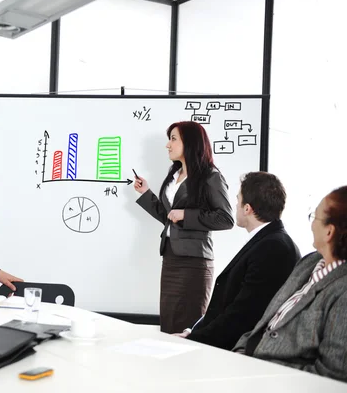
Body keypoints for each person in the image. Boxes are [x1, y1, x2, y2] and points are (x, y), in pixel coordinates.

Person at [175, 172, 300, 349]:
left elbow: (243, 315)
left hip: (232, 351)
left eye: (237, 200)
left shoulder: (274, 247)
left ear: (247, 208)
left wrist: (195, 340)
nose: (235, 205)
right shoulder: (268, 240)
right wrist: (192, 333)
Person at [233, 186, 347, 382]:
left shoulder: (342, 292)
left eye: (315, 217)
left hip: (275, 380)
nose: (311, 225)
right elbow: (267, 322)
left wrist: (257, 369)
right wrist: (239, 353)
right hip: (246, 364)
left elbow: (331, 375)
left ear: (329, 232)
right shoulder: (309, 262)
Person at [134, 121, 234, 334]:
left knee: (188, 327)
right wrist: (147, 194)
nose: (168, 145)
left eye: (173, 139)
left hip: (195, 263)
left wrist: (186, 215)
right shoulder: (174, 176)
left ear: (190, 142)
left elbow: (226, 218)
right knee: (168, 326)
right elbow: (169, 217)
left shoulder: (210, 177)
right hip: (170, 258)